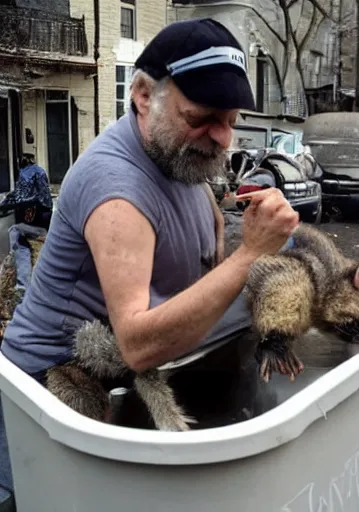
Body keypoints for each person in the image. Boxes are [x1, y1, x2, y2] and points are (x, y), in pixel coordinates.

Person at [0, 18, 299, 509]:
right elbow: (137, 344)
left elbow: (208, 284)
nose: (222, 138)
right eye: (201, 116)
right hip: (51, 397)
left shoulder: (186, 165)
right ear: (142, 95)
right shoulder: (117, 190)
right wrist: (252, 254)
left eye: (230, 120)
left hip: (128, 376)